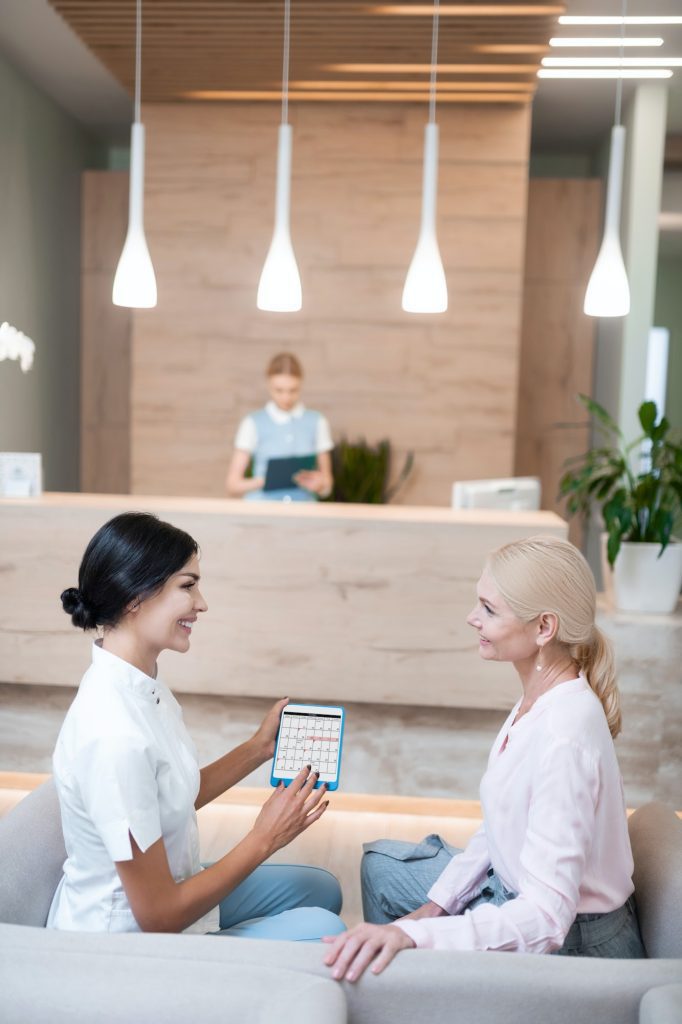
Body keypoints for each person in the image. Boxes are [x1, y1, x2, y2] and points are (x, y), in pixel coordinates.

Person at [323, 535, 645, 981]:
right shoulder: (538, 697)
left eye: (489, 610)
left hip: (576, 946)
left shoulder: (564, 734)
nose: (472, 618)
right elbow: (500, 826)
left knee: (403, 926)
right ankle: (405, 992)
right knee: (383, 865)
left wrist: (415, 935)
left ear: (544, 628)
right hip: (520, 896)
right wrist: (435, 907)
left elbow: (548, 918)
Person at [48, 511, 345, 940]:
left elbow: (169, 797)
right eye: (187, 586)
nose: (202, 603)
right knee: (325, 925)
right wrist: (263, 838)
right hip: (128, 944)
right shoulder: (113, 734)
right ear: (136, 595)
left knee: (320, 888)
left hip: (169, 891)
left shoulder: (141, 685)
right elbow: (158, 916)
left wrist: (258, 749)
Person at [226, 352, 333, 502]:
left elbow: (327, 486)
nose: (286, 398)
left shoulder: (317, 421)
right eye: (279, 390)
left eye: (293, 390)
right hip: (262, 512)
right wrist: (268, 480)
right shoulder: (252, 423)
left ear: (301, 384)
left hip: (304, 513)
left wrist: (319, 485)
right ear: (269, 386)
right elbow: (232, 486)